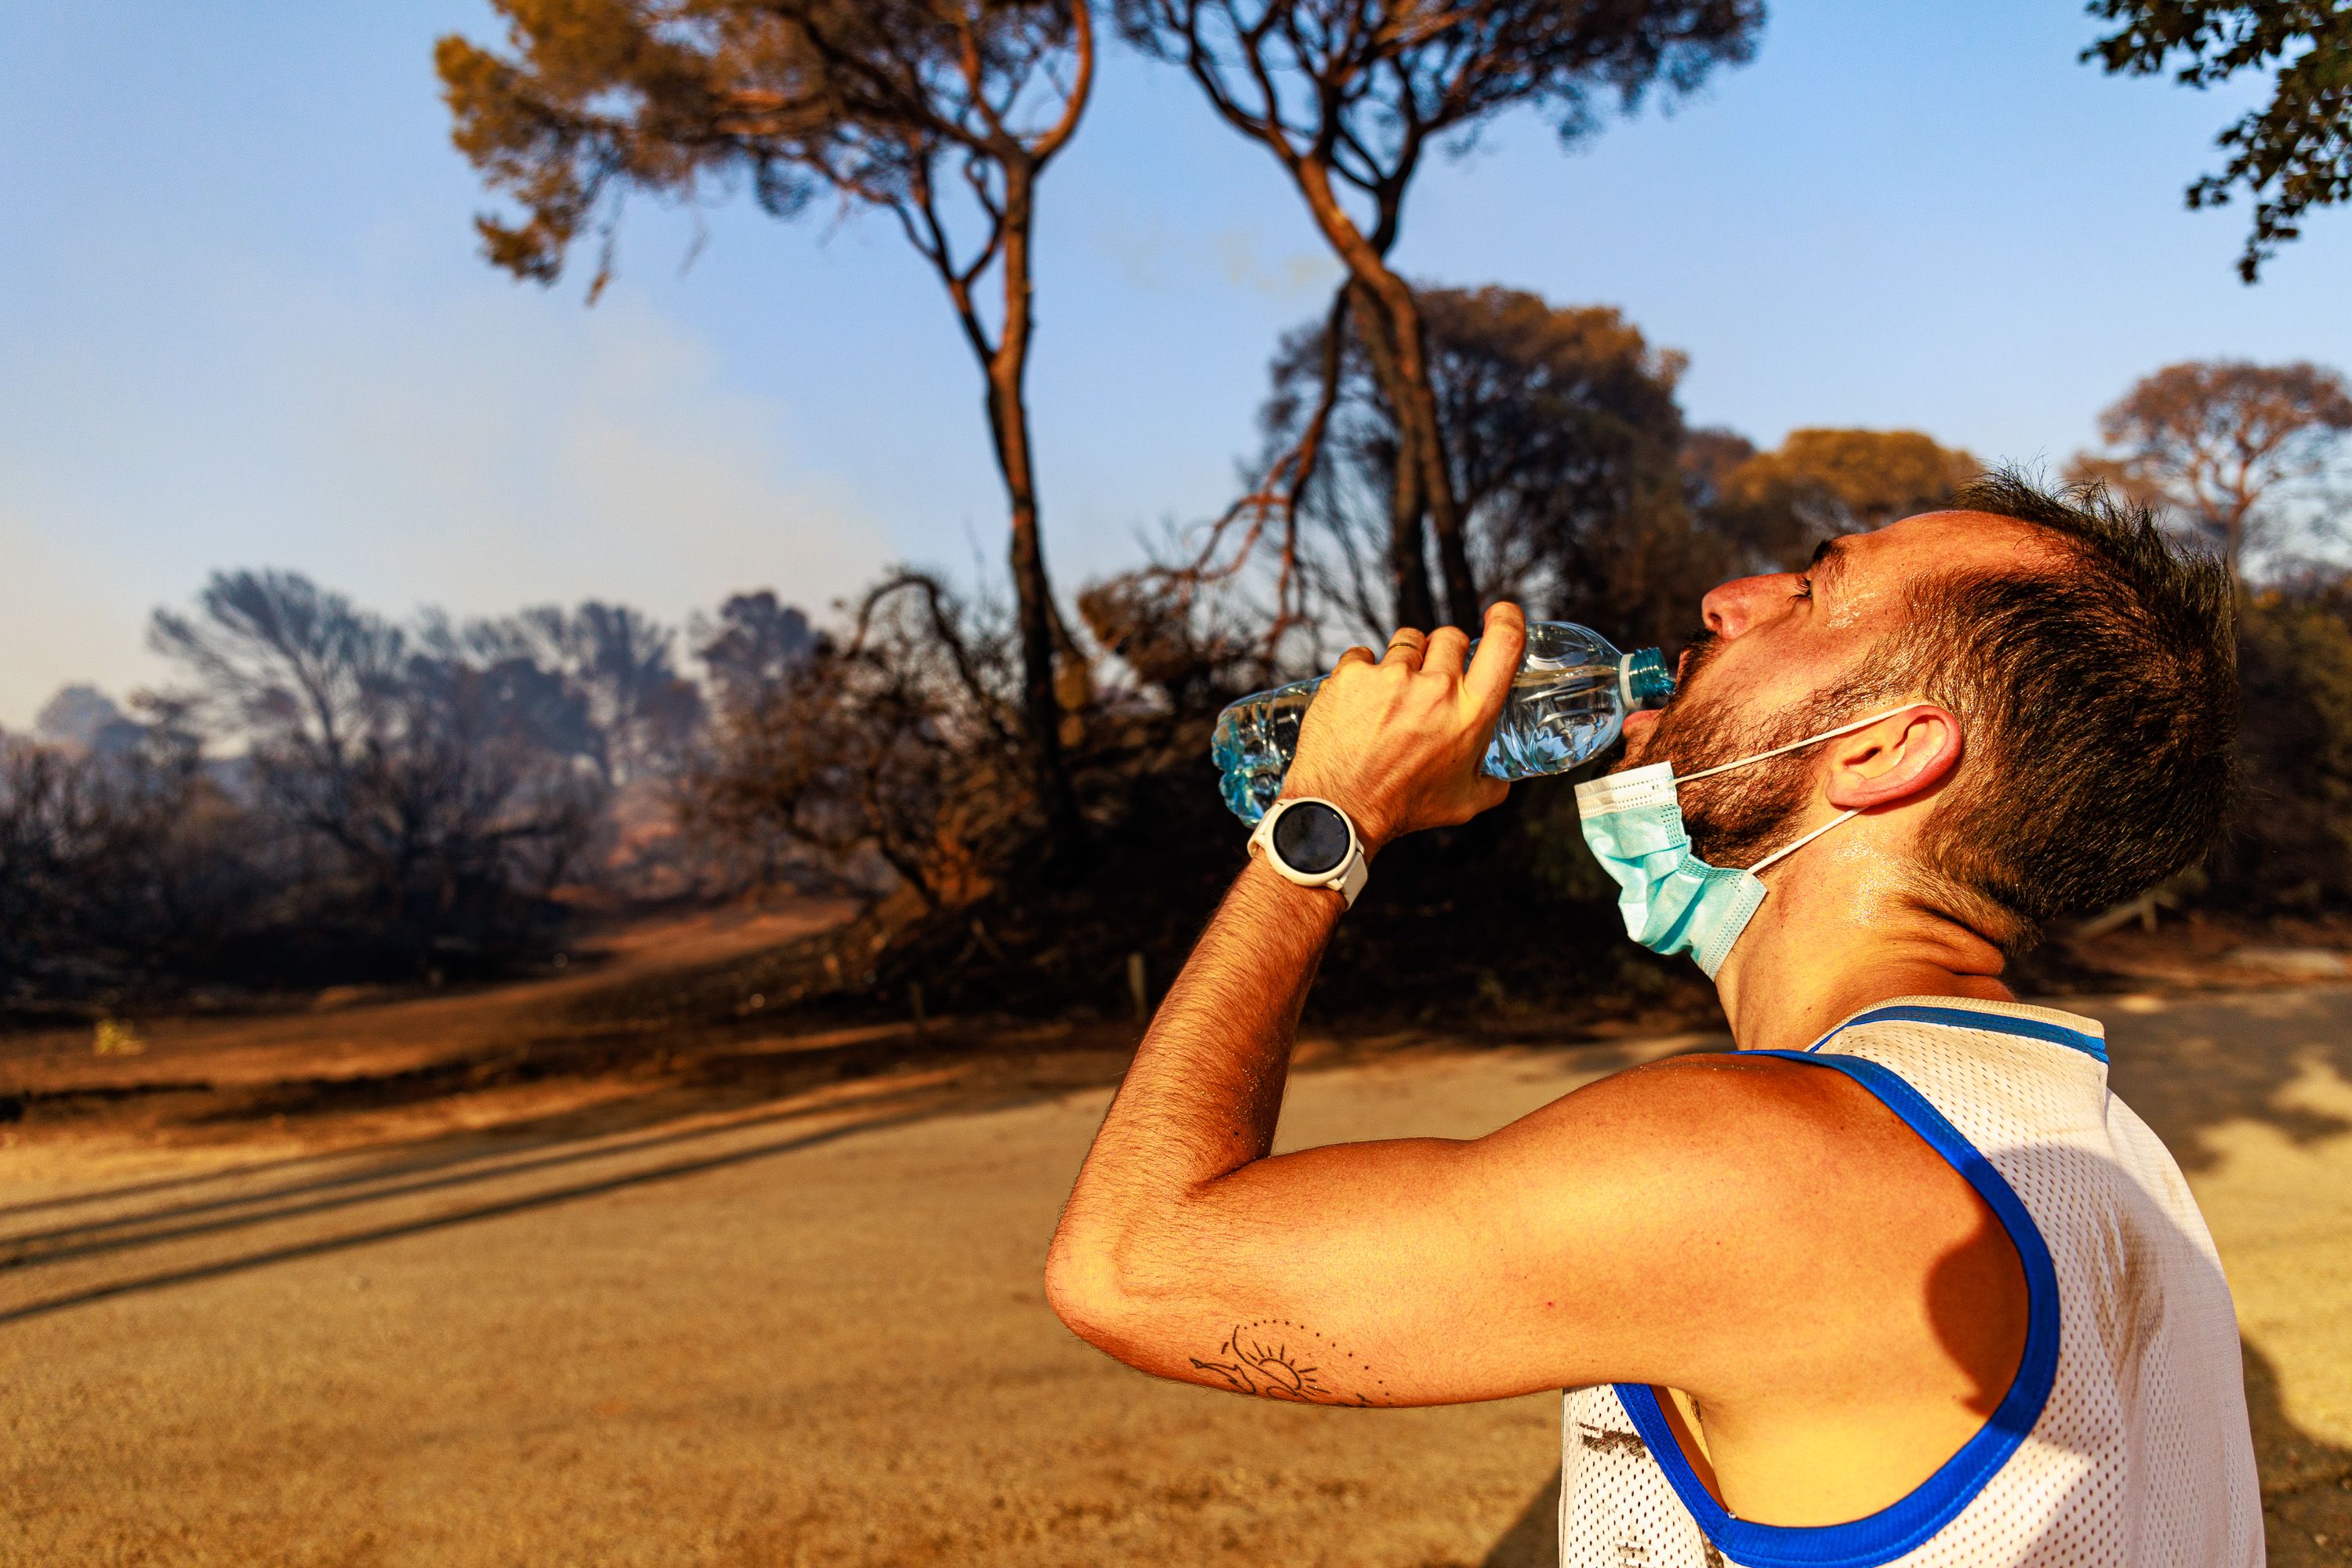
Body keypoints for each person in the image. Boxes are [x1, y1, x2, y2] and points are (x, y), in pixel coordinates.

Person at [1045, 472, 2260, 1566]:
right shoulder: (2106, 1147)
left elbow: (1133, 1267)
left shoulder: (1762, 1166)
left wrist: (1327, 821)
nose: (1729, 599)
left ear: (1887, 752)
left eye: (1814, 595)